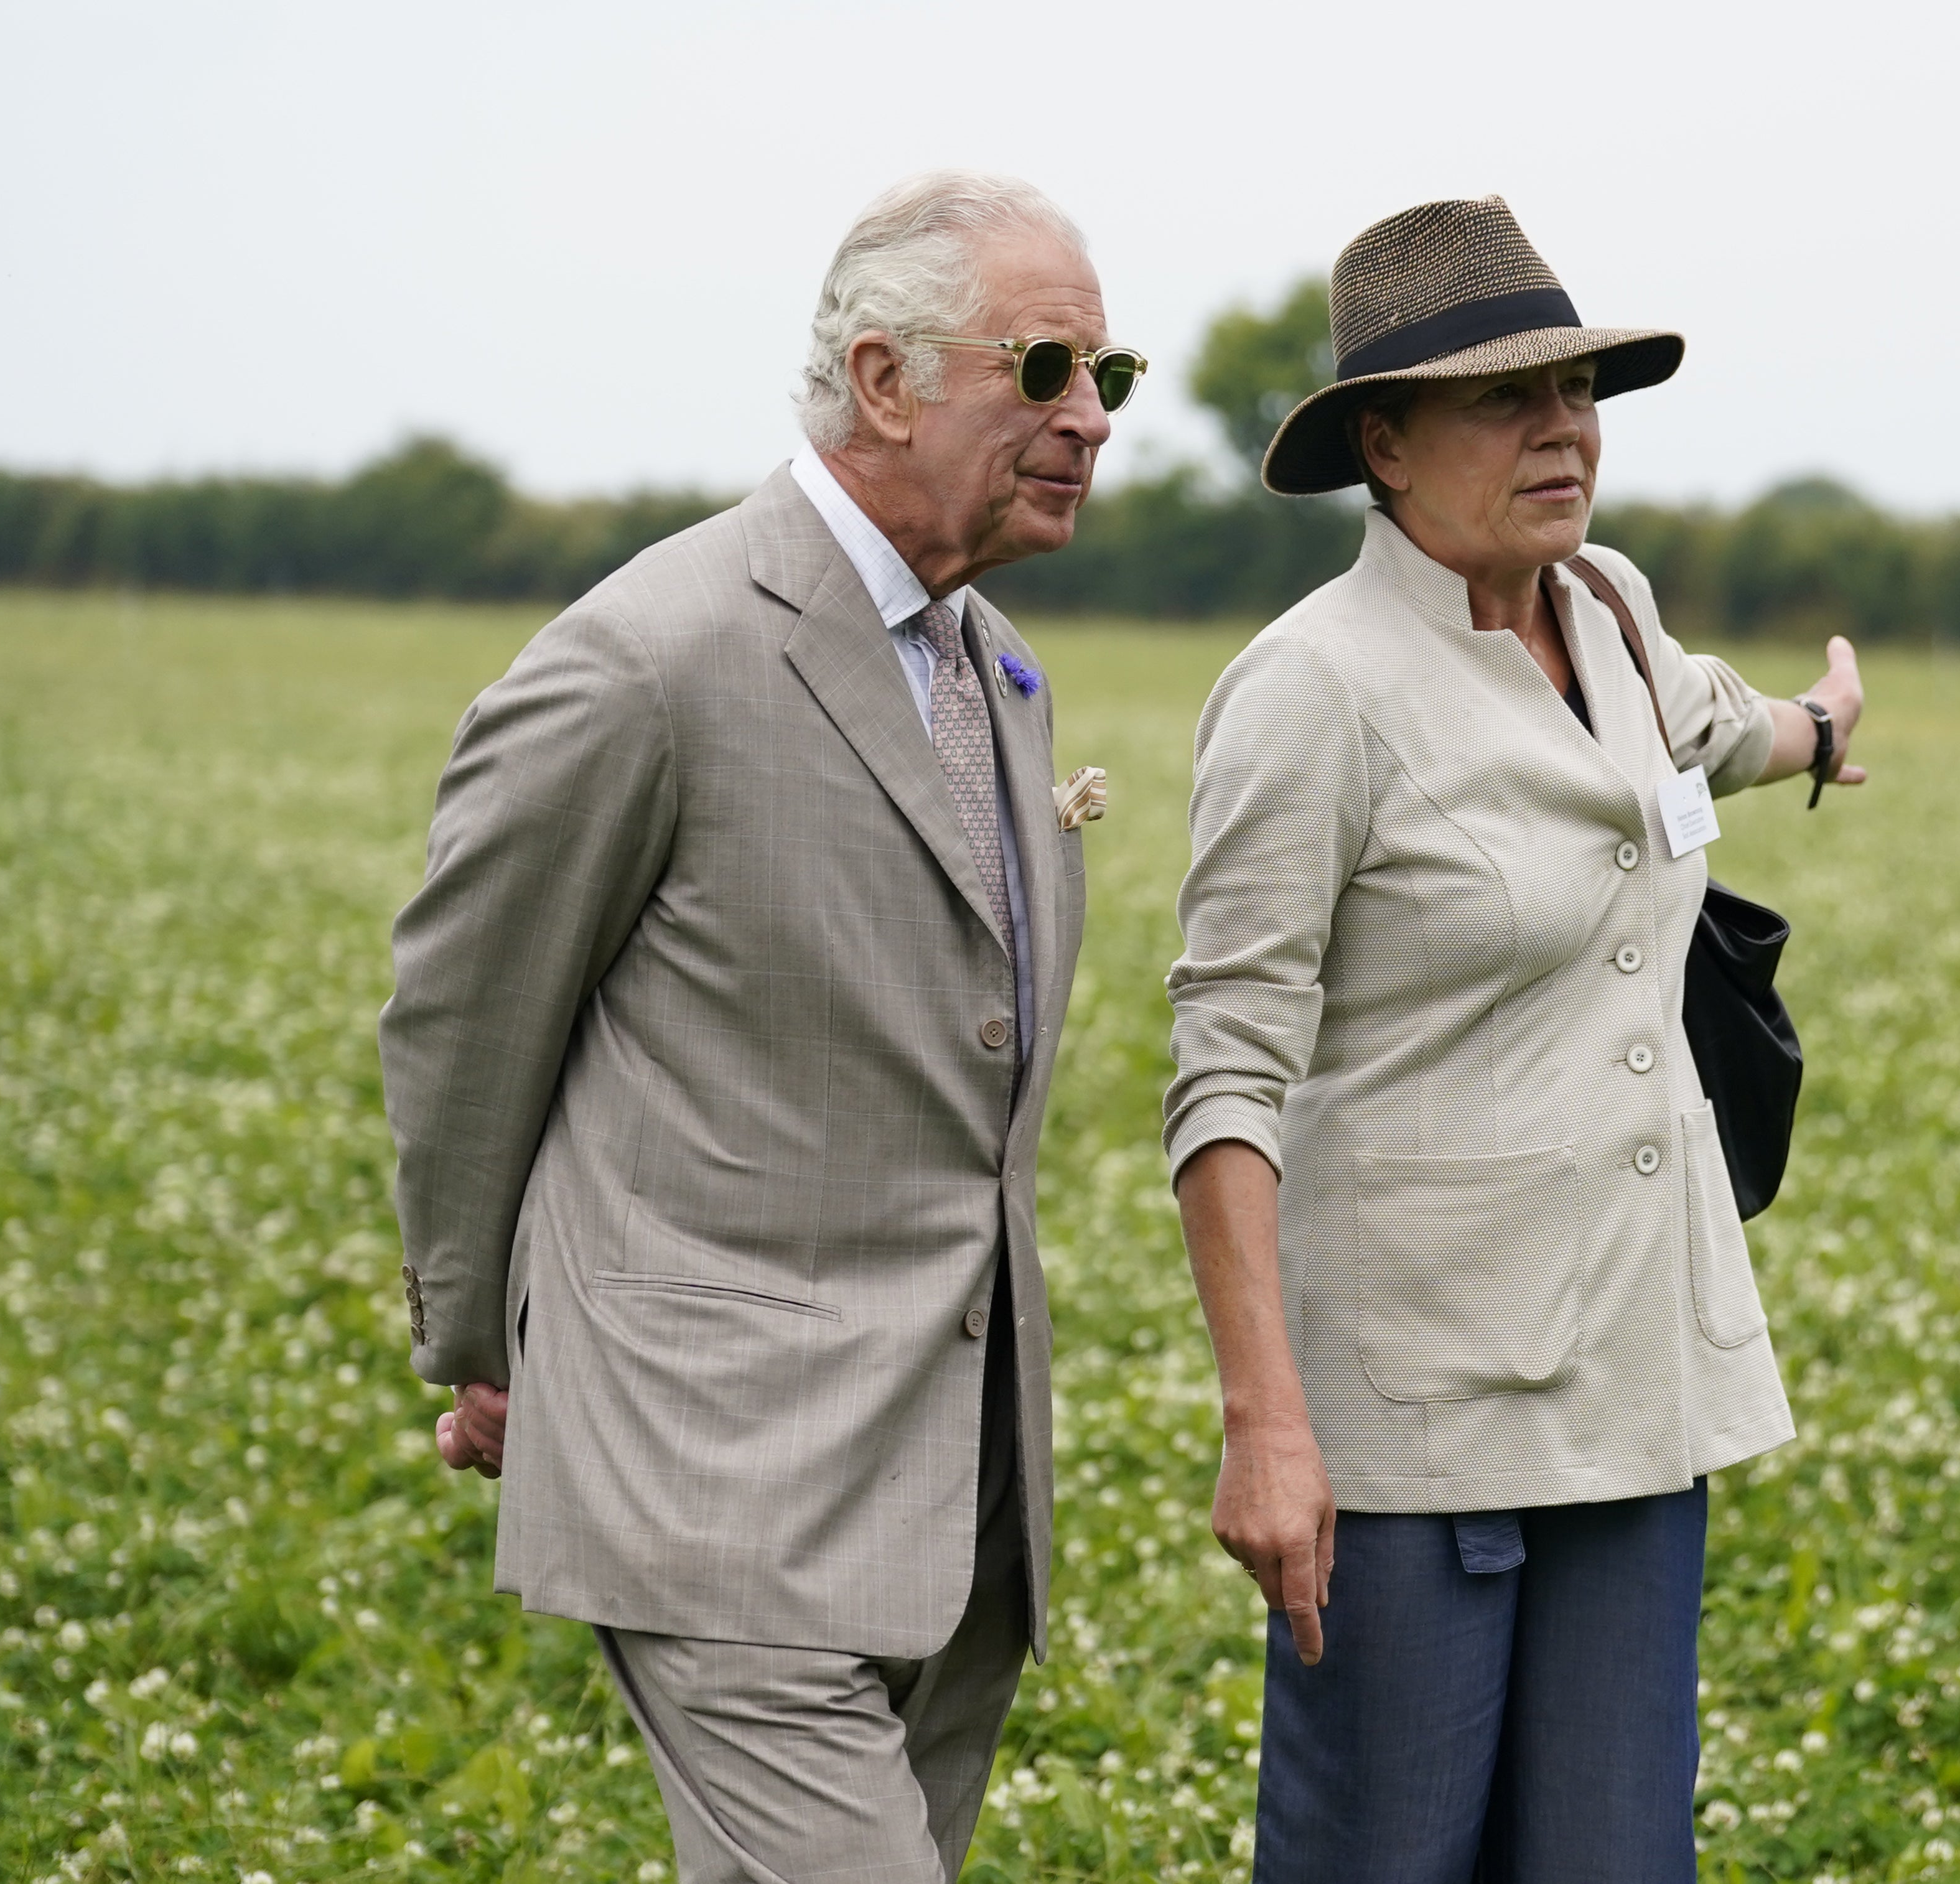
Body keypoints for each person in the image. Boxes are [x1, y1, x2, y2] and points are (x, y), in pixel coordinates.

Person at [380, 170, 1137, 1883]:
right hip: (709, 1481)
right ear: (881, 380)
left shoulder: (997, 667)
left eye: (1109, 380)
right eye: (1043, 373)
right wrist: (486, 1342)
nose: (1089, 420)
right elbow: (462, 1020)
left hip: (955, 1495)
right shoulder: (649, 657)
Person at [1164, 196, 1867, 1881]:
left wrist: (1822, 728)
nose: (1561, 428)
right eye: (1505, 399)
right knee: (1383, 1856)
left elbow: (1707, 733)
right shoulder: (1310, 691)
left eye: (1579, 393)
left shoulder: (1606, 609)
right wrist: (1266, 1422)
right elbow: (1224, 1076)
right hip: (1415, 1415)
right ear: (1383, 446)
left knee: (1613, 1855)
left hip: (1636, 1370)